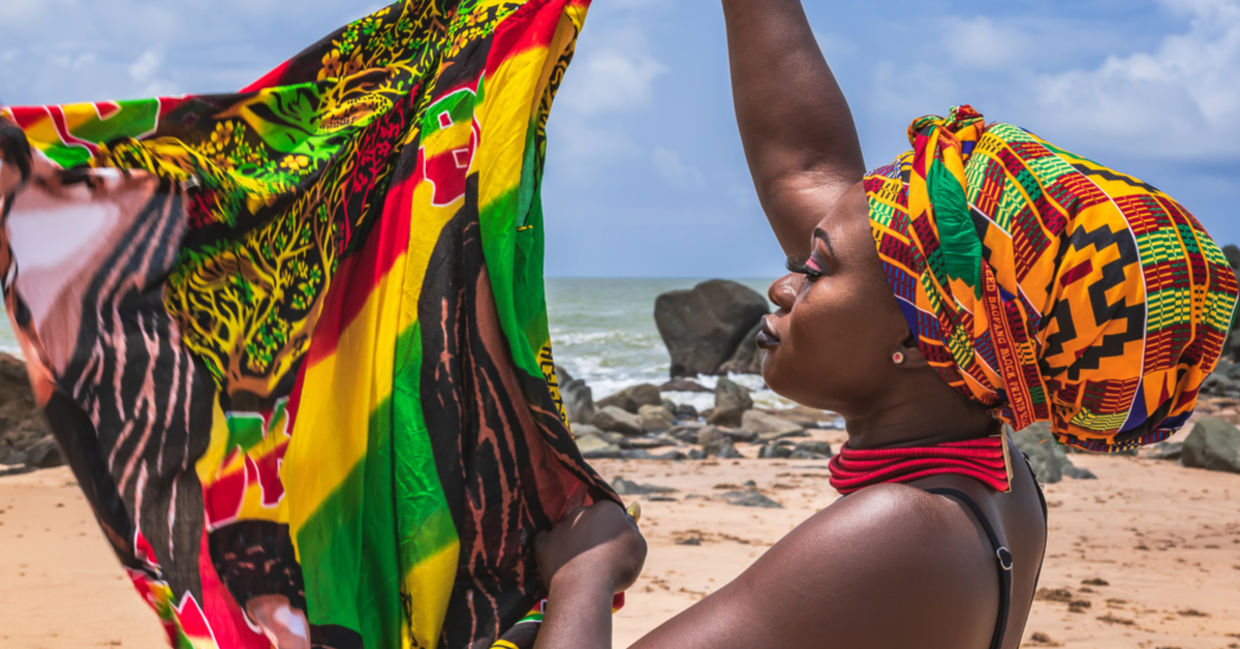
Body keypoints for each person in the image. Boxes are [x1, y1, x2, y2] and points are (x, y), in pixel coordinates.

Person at [528, 2, 1238, 649]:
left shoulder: (898, 531)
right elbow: (802, 164)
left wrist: (587, 568)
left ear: (916, 341)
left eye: (816, 268)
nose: (782, 282)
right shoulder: (994, 470)